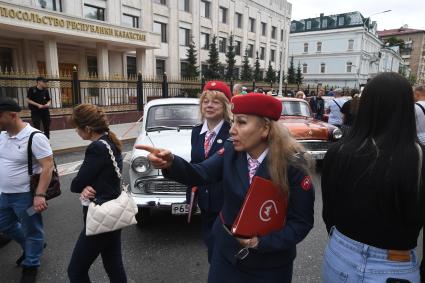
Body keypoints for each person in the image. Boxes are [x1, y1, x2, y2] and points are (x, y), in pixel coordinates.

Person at [138, 93, 315, 283]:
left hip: (270, 264)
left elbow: (301, 223)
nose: (232, 130)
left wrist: (262, 243)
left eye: (242, 122)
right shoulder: (231, 152)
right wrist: (170, 162)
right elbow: (201, 173)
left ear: (265, 128)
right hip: (226, 254)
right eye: (233, 122)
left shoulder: (293, 166)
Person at [321, 72, 424, 282]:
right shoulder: (418, 157)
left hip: (340, 253)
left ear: (366, 105)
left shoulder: (339, 151)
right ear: (406, 106)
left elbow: (329, 210)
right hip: (395, 264)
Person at [67, 104, 127, 283]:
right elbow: (104, 176)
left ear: (87, 128)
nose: (76, 131)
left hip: (101, 214)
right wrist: (87, 184)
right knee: (113, 263)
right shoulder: (109, 140)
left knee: (75, 271)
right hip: (114, 212)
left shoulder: (96, 148)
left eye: (77, 128)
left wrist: (83, 185)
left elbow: (76, 183)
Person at [0, 97, 53, 283]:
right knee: (4, 225)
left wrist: (40, 195)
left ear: (12, 115)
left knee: (32, 230)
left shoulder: (35, 137)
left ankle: (31, 263)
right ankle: (34, 247)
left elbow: (47, 166)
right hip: (4, 194)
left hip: (26, 196)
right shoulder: (2, 135)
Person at [188, 80, 231, 263]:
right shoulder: (197, 131)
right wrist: (191, 196)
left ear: (225, 106)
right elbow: (195, 165)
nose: (209, 106)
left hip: (227, 204)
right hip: (205, 203)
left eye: (215, 102)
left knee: (223, 250)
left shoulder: (233, 132)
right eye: (206, 101)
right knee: (210, 248)